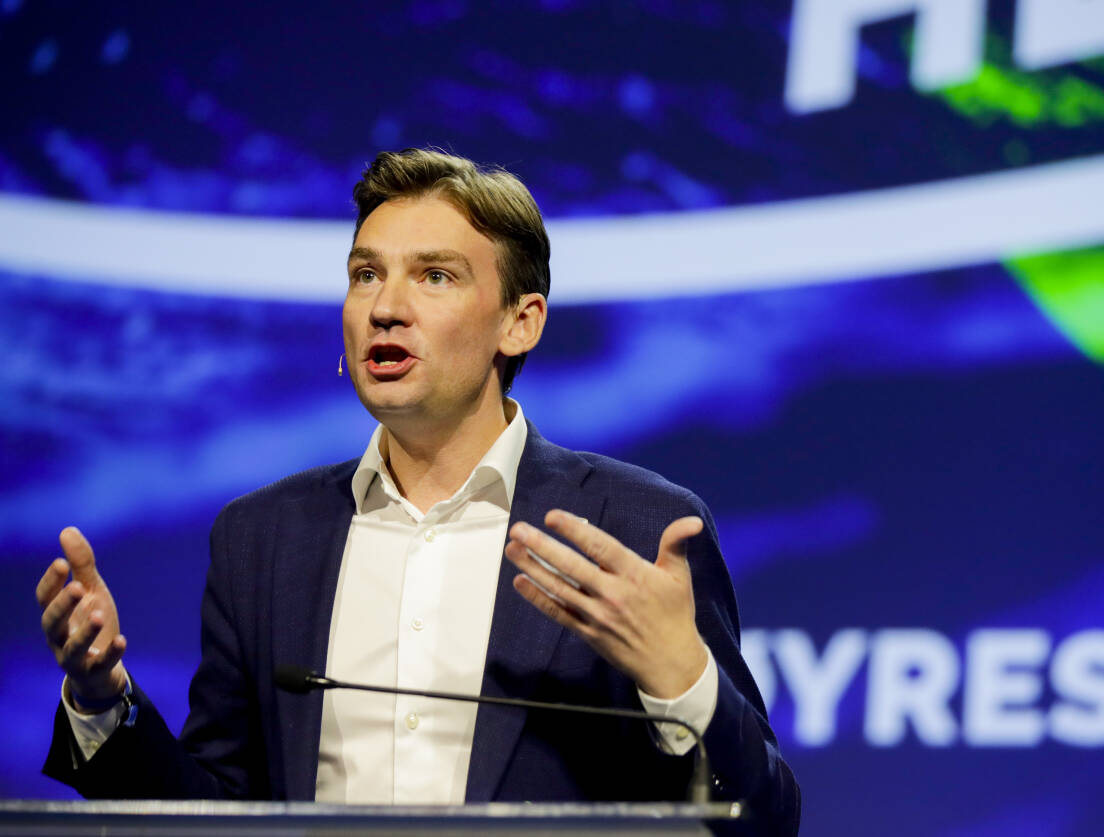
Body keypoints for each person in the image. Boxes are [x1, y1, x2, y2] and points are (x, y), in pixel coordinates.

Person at [36, 148, 800, 834]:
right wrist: (105, 700)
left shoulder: (637, 524)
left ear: (520, 323)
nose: (384, 306)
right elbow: (214, 816)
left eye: (434, 275)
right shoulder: (263, 537)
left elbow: (762, 823)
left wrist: (683, 681)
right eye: (366, 273)